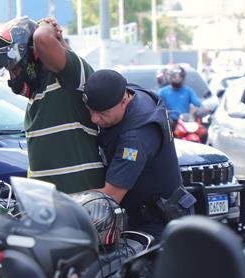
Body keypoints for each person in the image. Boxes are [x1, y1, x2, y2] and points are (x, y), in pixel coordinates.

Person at [0, 16, 105, 193]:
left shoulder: (66, 79)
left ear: (31, 55)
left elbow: (42, 38)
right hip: (52, 210)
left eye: (15, 69)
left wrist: (45, 25)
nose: (12, 78)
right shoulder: (35, 98)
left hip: (85, 206)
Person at [83, 69, 194, 238]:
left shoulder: (135, 139)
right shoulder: (133, 91)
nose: (94, 119)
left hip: (160, 223)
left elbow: (108, 199)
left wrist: (63, 203)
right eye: (90, 110)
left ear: (123, 101)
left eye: (102, 113)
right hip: (150, 214)